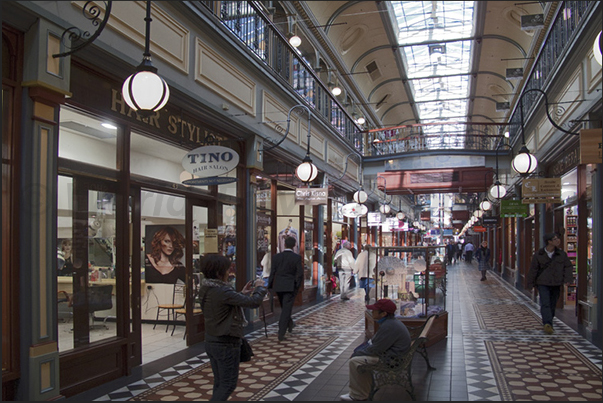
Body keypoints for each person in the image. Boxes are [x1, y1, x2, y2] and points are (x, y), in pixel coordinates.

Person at [198, 254, 267, 401]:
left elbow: (222, 304)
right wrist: (259, 289)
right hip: (226, 342)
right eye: (227, 269)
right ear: (218, 272)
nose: (229, 273)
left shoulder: (206, 288)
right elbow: (254, 302)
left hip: (211, 340)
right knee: (228, 384)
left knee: (219, 383)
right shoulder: (223, 291)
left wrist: (241, 294)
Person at [339, 299, 412, 401]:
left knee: (355, 361)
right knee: (359, 357)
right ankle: (363, 391)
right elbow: (376, 344)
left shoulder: (389, 326)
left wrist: (358, 353)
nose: (372, 312)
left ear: (384, 314)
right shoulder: (390, 323)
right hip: (392, 355)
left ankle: (358, 395)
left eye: (375, 310)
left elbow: (376, 349)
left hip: (391, 360)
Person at [526, 232, 574, 335]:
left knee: (552, 304)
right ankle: (547, 323)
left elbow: (568, 267)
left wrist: (568, 279)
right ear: (549, 241)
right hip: (543, 283)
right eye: (555, 239)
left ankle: (549, 320)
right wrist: (530, 284)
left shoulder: (561, 254)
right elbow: (533, 269)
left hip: (556, 283)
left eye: (558, 238)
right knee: (545, 303)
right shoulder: (539, 254)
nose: (558, 240)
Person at [268, 236, 304, 341]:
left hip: (278, 286)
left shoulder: (276, 257)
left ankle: (290, 323)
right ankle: (281, 332)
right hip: (289, 286)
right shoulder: (296, 258)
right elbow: (299, 273)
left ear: (284, 244)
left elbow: (272, 272)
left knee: (285, 307)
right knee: (286, 309)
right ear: (294, 245)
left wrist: (269, 285)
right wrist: (297, 286)